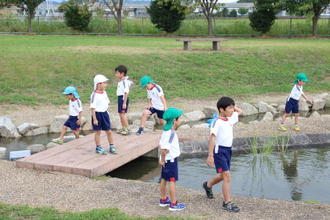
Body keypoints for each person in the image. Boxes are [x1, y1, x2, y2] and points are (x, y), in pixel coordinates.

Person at [203, 96, 243, 213]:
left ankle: (208, 185)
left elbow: (240, 111)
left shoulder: (229, 119)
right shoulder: (217, 122)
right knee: (227, 176)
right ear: (221, 109)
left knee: (222, 175)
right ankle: (227, 203)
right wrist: (210, 155)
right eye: (229, 108)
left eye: (232, 108)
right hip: (219, 151)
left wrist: (232, 105)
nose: (232, 110)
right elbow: (212, 138)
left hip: (228, 151)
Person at [159, 107, 185, 211]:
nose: (181, 120)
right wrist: (163, 158)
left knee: (164, 179)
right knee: (172, 181)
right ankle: (174, 204)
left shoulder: (166, 130)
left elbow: (161, 145)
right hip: (170, 161)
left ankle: (163, 199)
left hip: (166, 160)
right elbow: (165, 149)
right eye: (180, 118)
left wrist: (161, 159)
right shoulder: (171, 133)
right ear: (175, 120)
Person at [91, 74, 117, 155]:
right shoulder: (94, 94)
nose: (106, 84)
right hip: (97, 115)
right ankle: (98, 147)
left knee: (108, 131)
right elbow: (93, 108)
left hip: (104, 114)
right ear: (98, 84)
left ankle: (111, 146)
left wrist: (107, 112)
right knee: (98, 132)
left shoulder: (104, 92)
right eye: (104, 83)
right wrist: (95, 118)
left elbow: (106, 103)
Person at [115, 65, 133, 135]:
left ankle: (127, 129)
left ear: (122, 73)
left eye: (117, 73)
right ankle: (123, 128)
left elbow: (126, 92)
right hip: (120, 98)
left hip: (123, 98)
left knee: (123, 114)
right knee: (120, 114)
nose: (116, 74)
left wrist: (124, 102)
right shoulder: (122, 81)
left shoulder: (124, 81)